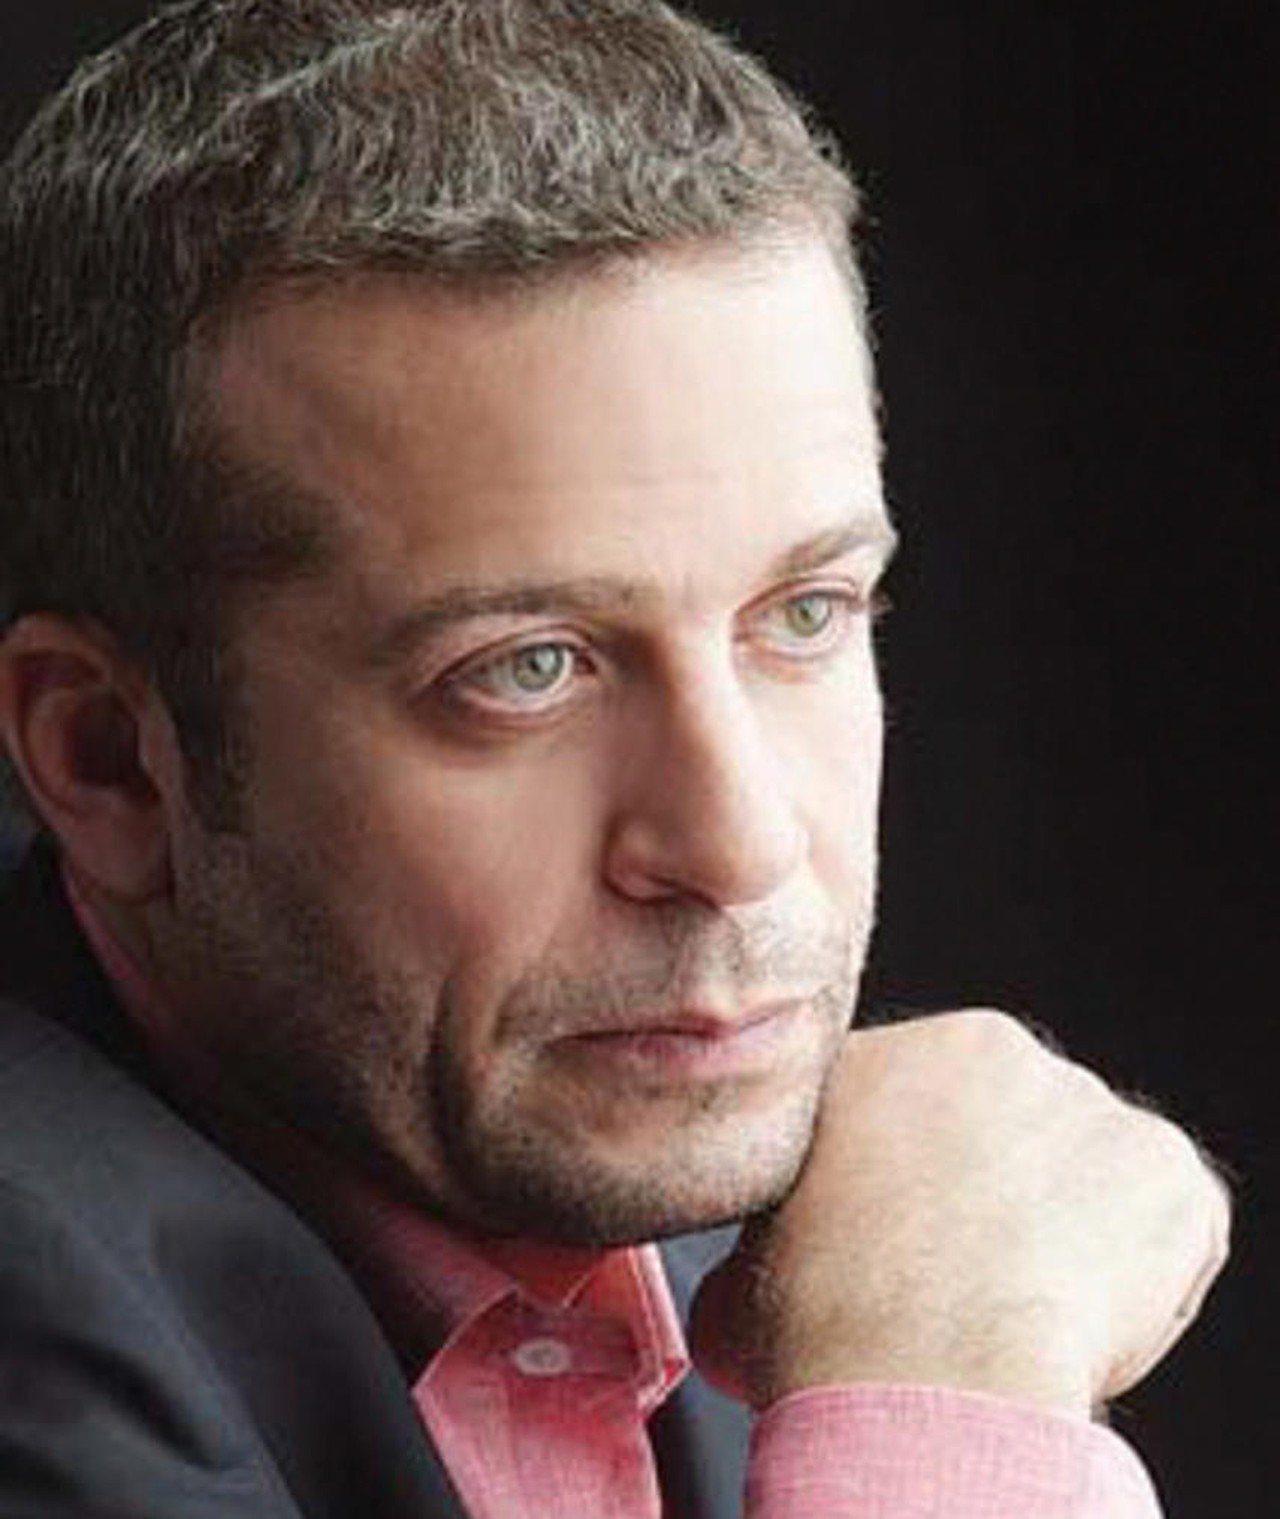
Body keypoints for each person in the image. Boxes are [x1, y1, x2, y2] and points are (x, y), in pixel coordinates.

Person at [0, 1, 1229, 1514]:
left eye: (805, 613)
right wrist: (936, 1404)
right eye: (527, 669)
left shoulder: (696, 1213)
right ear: (111, 760)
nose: (739, 846)